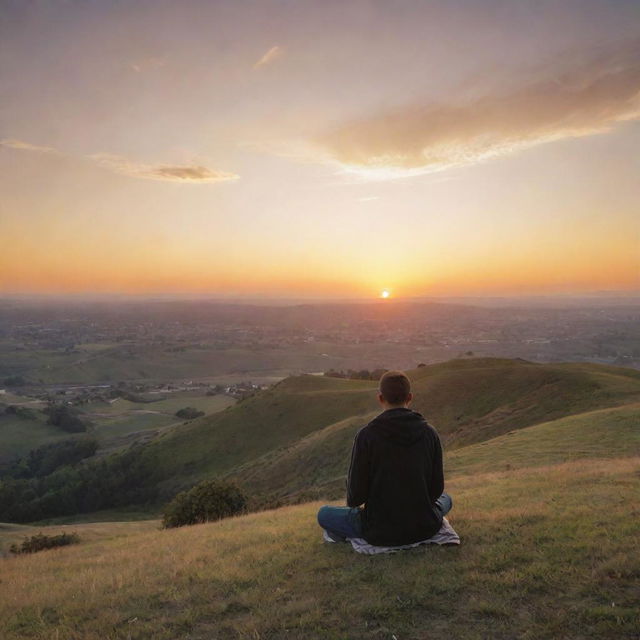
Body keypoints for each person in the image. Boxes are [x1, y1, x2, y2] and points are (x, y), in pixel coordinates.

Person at [317, 369, 452, 546]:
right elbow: (436, 490)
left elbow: (355, 499)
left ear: (380, 398)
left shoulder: (366, 436)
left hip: (380, 530)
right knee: (446, 499)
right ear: (410, 397)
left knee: (324, 514)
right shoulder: (430, 433)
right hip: (425, 526)